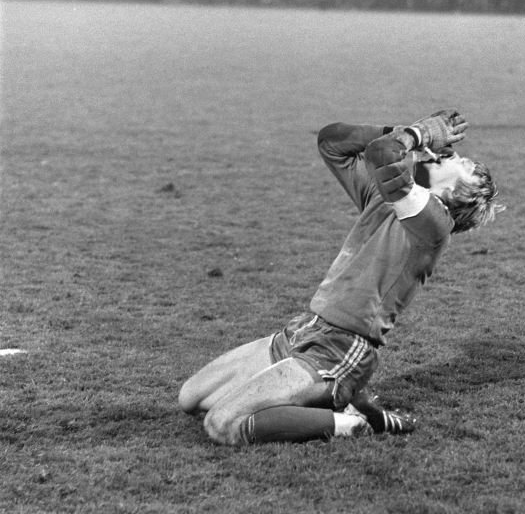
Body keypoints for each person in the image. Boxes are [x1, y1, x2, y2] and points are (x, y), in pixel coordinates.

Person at [179, 111, 500, 445]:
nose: (449, 153)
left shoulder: (434, 224)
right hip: (304, 330)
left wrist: (418, 134)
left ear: (455, 192)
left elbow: (381, 155)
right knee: (191, 398)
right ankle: (327, 398)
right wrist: (398, 131)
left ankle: (353, 422)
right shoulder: (386, 198)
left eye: (460, 162)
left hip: (341, 349)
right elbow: (331, 142)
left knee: (221, 423)